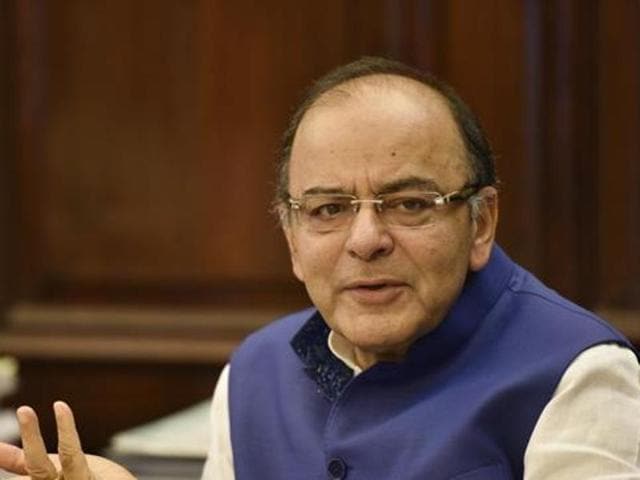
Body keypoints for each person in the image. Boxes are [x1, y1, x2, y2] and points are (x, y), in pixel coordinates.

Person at [1, 57, 639, 480]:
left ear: (481, 221)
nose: (365, 240)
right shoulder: (255, 372)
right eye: (329, 209)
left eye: (410, 203)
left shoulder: (578, 376)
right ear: (291, 238)